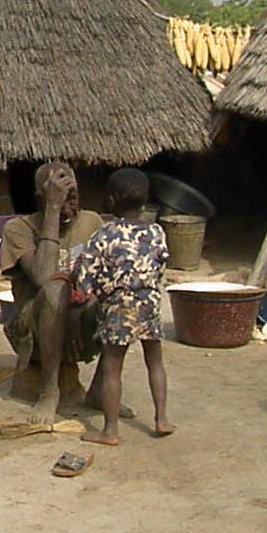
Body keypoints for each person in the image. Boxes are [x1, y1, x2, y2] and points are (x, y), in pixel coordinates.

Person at [0, 160, 107, 425]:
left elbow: (103, 277)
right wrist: (53, 210)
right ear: (41, 198)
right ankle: (49, 391)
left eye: (73, 195)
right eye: (60, 196)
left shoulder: (92, 222)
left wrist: (84, 305)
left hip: (78, 323)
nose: (69, 202)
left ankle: (99, 389)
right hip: (32, 330)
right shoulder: (18, 229)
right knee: (54, 287)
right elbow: (43, 277)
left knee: (127, 297)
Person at [73, 167, 173, 445]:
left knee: (112, 368)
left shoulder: (105, 234)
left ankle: (110, 430)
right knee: (155, 361)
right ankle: (161, 418)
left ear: (112, 199)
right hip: (149, 302)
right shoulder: (156, 231)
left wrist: (85, 291)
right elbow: (161, 263)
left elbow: (85, 274)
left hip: (119, 306)